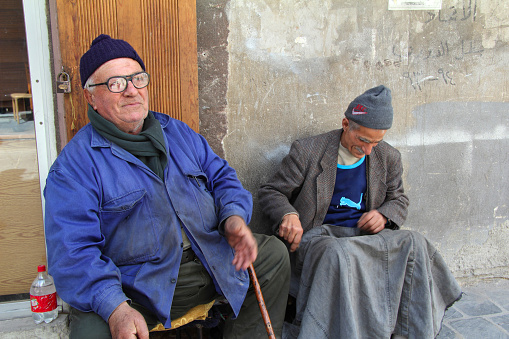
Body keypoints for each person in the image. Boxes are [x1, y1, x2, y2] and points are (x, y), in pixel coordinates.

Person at [44, 34, 290, 339]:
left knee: (273, 256)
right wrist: (115, 306)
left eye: (137, 79)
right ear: (90, 97)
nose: (132, 91)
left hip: (213, 259)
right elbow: (72, 253)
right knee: (91, 331)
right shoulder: (74, 167)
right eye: (116, 83)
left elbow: (223, 178)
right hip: (139, 289)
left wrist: (233, 219)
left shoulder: (177, 133)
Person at [258, 85, 462, 339]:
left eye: (376, 142)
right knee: (337, 254)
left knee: (415, 243)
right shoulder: (308, 151)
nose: (367, 150)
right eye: (363, 140)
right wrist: (288, 215)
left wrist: (384, 215)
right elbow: (272, 192)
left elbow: (399, 199)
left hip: (364, 237)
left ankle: (410, 332)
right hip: (320, 237)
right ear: (346, 124)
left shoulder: (388, 156)